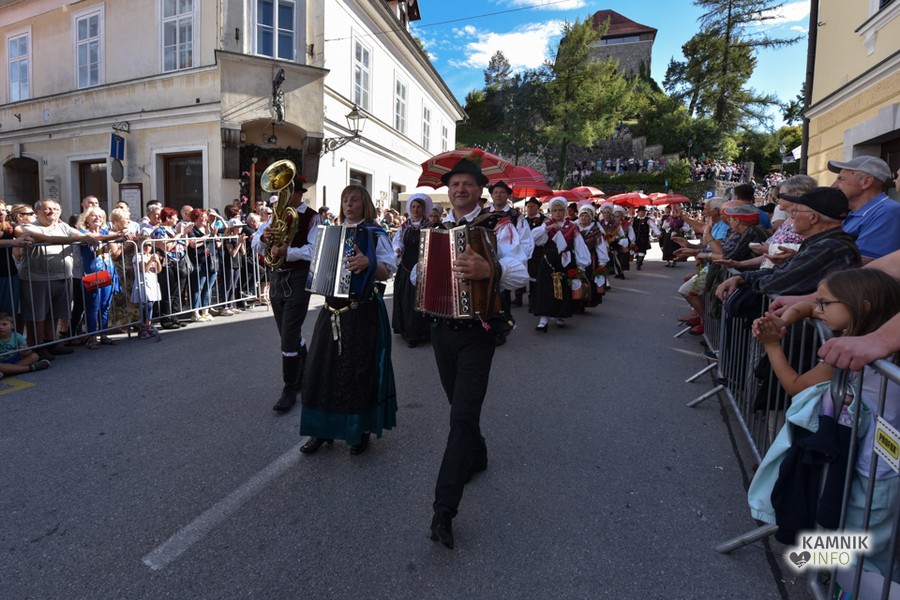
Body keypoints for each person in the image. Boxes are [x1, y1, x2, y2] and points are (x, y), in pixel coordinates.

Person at [752, 268, 900, 577]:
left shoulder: (849, 352)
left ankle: (843, 581)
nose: (817, 310)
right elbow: (808, 306)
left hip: (877, 472)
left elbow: (795, 385)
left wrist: (772, 345)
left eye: (824, 304)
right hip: (864, 461)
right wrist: (788, 317)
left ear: (863, 307)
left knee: (865, 548)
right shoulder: (870, 343)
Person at [427, 157, 528, 550]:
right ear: (448, 190)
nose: (460, 189)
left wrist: (490, 271)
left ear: (479, 190)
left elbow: (521, 273)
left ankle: (443, 511)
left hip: (478, 333)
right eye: (455, 184)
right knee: (460, 408)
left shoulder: (498, 227)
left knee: (461, 417)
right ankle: (478, 453)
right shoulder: (437, 229)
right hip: (441, 330)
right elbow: (420, 274)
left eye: (467, 184)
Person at [298, 185, 397, 456]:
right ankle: (321, 431)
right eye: (344, 200)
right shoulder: (330, 233)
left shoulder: (375, 233)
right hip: (331, 309)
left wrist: (369, 263)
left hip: (361, 310)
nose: (348, 204)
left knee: (357, 372)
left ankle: (358, 430)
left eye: (354, 200)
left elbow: (386, 271)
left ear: (365, 203)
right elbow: (316, 262)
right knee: (321, 370)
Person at [715, 187, 861, 304]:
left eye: (797, 211)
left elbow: (777, 281)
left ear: (813, 218)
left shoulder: (828, 247)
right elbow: (782, 273)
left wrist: (745, 279)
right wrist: (741, 277)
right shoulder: (823, 243)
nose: (793, 217)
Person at [251, 174, 321, 413]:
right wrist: (264, 237)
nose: (282, 197)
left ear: (299, 193)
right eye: (280, 192)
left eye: (287, 192)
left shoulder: (312, 217)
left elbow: (315, 250)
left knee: (289, 335)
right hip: (277, 278)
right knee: (287, 333)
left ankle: (290, 387)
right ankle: (307, 371)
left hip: (298, 278)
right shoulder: (276, 216)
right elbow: (255, 244)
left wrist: (288, 251)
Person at [20, 199, 100, 361]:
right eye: (48, 209)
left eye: (56, 209)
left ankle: (51, 343)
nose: (52, 212)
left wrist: (86, 236)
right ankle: (37, 346)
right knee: (37, 315)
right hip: (37, 278)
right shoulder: (29, 227)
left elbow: (79, 234)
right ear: (37, 212)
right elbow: (43, 238)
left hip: (62, 276)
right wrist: (77, 239)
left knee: (54, 313)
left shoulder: (63, 227)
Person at [530, 196, 590, 331]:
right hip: (549, 261)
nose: (558, 213)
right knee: (546, 289)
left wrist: (581, 264)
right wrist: (548, 228)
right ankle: (543, 319)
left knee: (563, 289)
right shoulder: (546, 225)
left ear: (565, 211)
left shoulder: (572, 227)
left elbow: (579, 245)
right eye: (555, 210)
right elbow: (535, 239)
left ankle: (560, 315)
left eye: (560, 210)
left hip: (565, 261)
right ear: (551, 212)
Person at [828, 156, 900, 264]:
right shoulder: (854, 213)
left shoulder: (887, 211)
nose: (833, 186)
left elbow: (862, 262)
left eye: (841, 179)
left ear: (866, 182)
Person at [486, 181, 534, 344]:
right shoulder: (484, 213)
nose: (498, 195)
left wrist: (519, 261)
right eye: (496, 192)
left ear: (507, 195)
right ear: (492, 195)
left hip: (506, 261)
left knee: (502, 296)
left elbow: (525, 238)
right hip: (487, 259)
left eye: (502, 192)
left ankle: (502, 328)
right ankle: (488, 328)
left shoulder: (515, 215)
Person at [391, 193, 433, 348]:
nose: (415, 210)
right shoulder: (404, 227)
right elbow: (398, 242)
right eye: (413, 207)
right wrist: (397, 250)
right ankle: (408, 332)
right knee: (406, 300)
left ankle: (420, 332)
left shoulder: (429, 227)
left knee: (420, 300)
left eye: (419, 207)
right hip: (406, 267)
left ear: (423, 209)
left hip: (422, 267)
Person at [77, 207, 121, 349]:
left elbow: (115, 242)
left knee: (105, 305)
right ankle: (91, 337)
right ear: (87, 219)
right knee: (92, 307)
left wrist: (125, 234)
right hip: (91, 273)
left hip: (106, 271)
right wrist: (117, 235)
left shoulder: (105, 232)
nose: (97, 218)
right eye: (94, 216)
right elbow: (97, 238)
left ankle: (103, 334)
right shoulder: (82, 233)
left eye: (100, 216)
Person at [151, 207, 192, 330]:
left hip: (179, 263)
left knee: (177, 292)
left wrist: (184, 234)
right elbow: (166, 247)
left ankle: (175, 317)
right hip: (167, 264)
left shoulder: (174, 230)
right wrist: (178, 235)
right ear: (168, 218)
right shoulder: (159, 231)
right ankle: (166, 319)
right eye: (175, 217)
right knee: (168, 292)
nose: (177, 219)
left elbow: (185, 244)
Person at [186, 208, 220, 322]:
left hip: (210, 261)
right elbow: (193, 244)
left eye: (206, 217)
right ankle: (195, 312)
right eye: (202, 217)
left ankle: (205, 311)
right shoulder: (192, 229)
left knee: (208, 287)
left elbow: (218, 243)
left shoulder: (209, 228)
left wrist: (213, 234)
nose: (205, 219)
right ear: (196, 218)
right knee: (198, 287)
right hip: (198, 262)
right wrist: (206, 237)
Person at [0, 312, 51, 377]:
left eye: (4, 324)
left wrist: (25, 350)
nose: (0, 327)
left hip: (15, 359)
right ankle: (30, 368)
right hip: (1, 361)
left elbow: (28, 352)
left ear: (12, 325)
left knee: (34, 356)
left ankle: (6, 371)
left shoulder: (17, 336)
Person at [522, 197, 546, 312]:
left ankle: (536, 300)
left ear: (537, 207)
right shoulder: (523, 220)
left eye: (532, 206)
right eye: (528, 207)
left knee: (536, 275)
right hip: (525, 251)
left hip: (538, 251)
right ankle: (523, 297)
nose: (529, 209)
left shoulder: (543, 220)